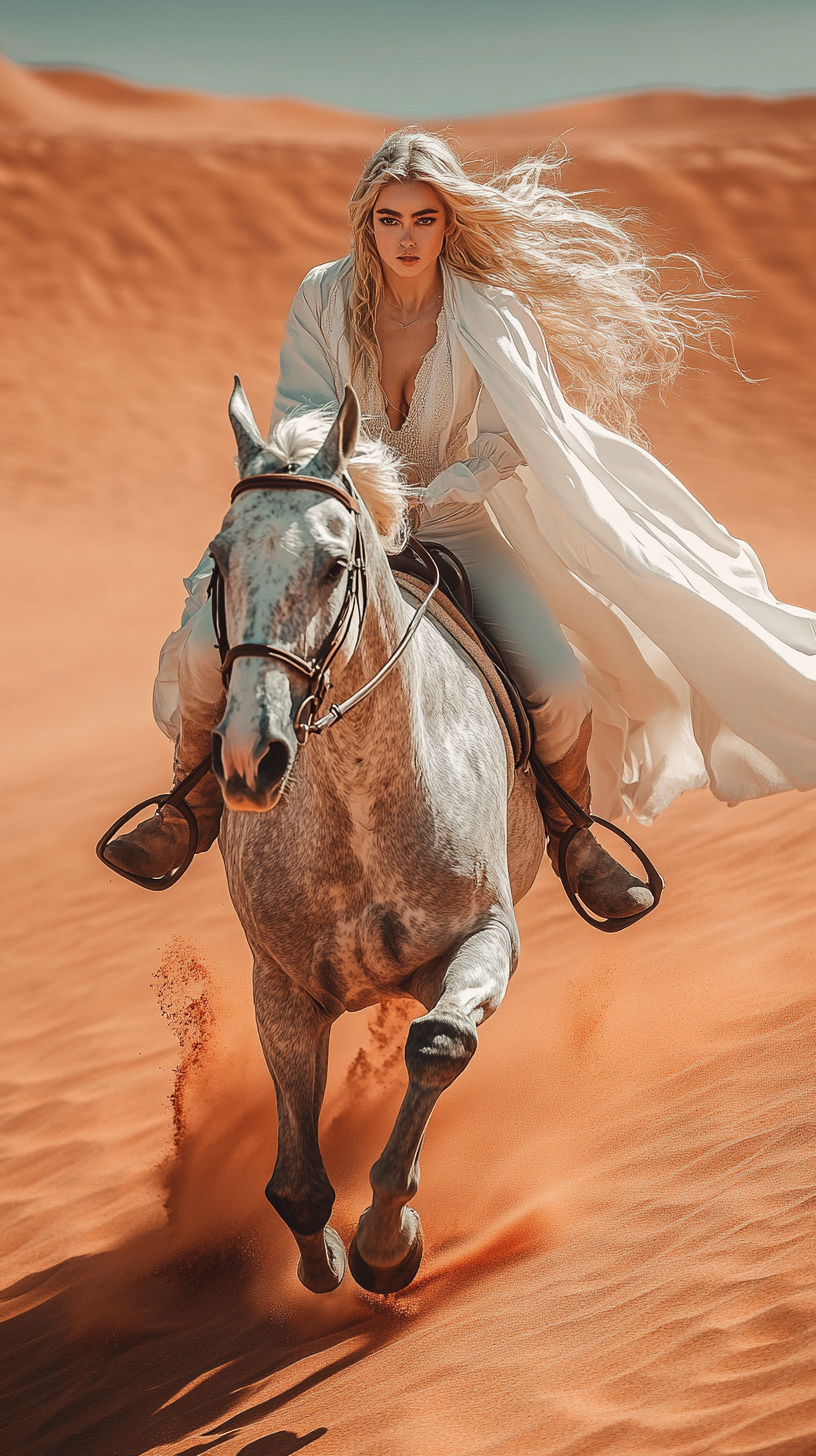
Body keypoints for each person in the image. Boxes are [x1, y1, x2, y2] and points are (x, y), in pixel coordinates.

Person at [108, 131, 816, 919]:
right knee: (212, 646)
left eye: (423, 218)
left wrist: (446, 487)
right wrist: (364, 496)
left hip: (458, 528)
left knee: (556, 683)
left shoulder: (491, 315)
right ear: (365, 222)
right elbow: (303, 419)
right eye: (389, 219)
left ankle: (573, 835)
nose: (406, 237)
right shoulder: (322, 297)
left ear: (450, 224)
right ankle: (190, 805)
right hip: (342, 525)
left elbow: (522, 432)